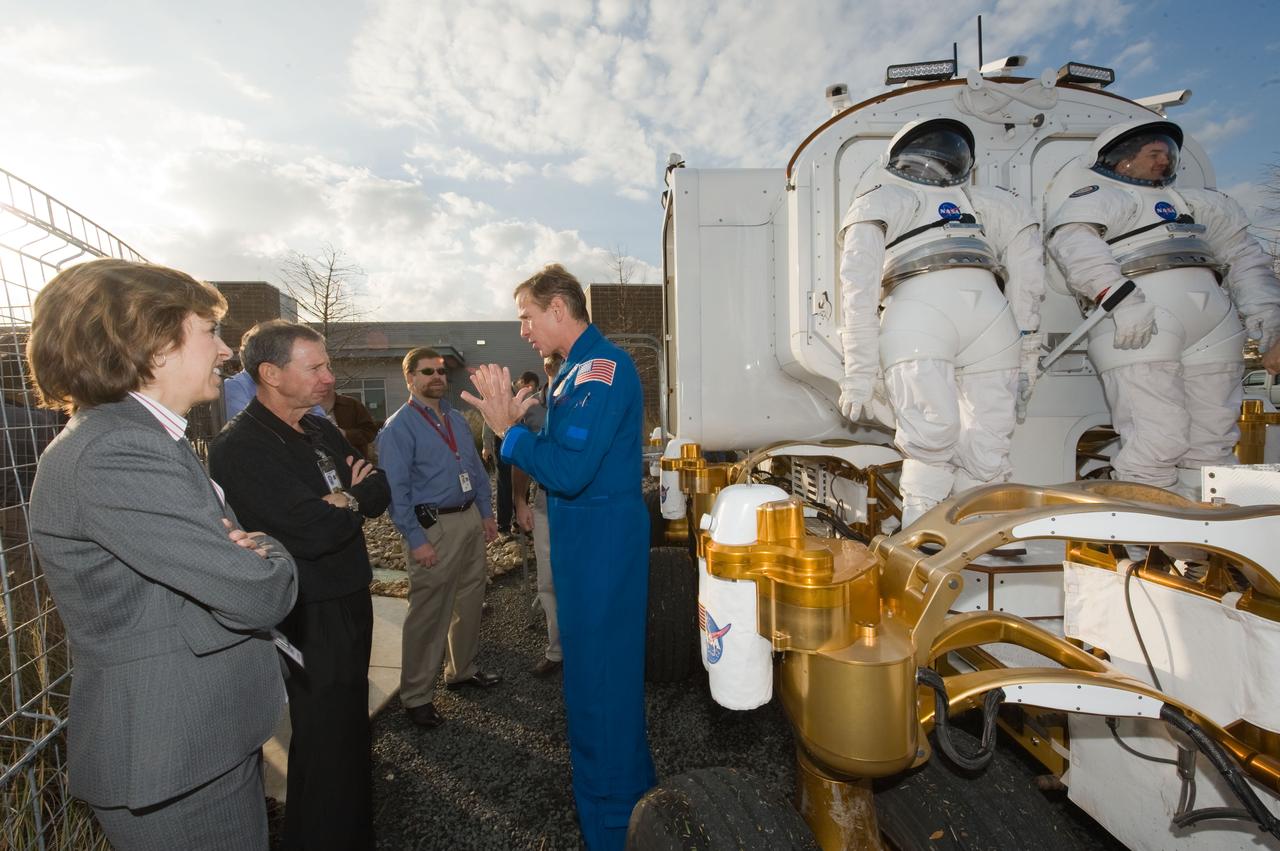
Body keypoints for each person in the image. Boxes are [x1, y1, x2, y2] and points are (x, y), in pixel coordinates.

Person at [26, 259, 298, 850]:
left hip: (195, 744)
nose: (226, 353)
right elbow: (255, 591)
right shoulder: (116, 450)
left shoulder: (140, 439)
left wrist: (242, 556)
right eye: (209, 331)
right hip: (173, 754)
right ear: (151, 341)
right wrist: (270, 550)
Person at [462, 263, 654, 851]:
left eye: (526, 315)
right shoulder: (571, 373)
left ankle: (614, 831)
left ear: (558, 309)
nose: (522, 329)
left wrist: (505, 432)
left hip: (598, 554)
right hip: (586, 552)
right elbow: (566, 442)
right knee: (599, 692)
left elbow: (570, 471)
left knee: (600, 696)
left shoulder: (601, 366)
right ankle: (639, 815)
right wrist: (528, 418)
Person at [209, 320, 390, 851]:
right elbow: (309, 532)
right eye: (315, 367)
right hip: (307, 609)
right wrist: (348, 502)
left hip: (352, 594)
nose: (329, 378)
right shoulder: (240, 447)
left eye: (327, 365)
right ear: (270, 373)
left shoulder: (318, 428)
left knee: (349, 729)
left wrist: (349, 501)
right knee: (326, 735)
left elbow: (377, 486)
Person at [1045, 120, 1280, 496]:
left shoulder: (1199, 205)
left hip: (1213, 326)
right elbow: (1076, 245)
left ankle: (1197, 544)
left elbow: (1246, 261)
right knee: (1158, 438)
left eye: (1167, 153)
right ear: (1122, 159)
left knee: (1213, 441)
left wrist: (1270, 325)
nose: (1163, 160)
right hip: (1145, 321)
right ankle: (1142, 542)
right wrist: (1120, 300)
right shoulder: (1102, 197)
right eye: (1152, 153)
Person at [836, 118, 1045, 527]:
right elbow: (857, 285)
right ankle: (923, 538)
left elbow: (1028, 278)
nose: (936, 160)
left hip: (984, 319)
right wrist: (858, 374)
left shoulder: (991, 205)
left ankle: (977, 536)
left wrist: (1029, 358)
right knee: (933, 434)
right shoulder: (884, 198)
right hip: (920, 313)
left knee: (989, 439)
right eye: (925, 151)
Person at [375, 347, 501, 730]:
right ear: (410, 378)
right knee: (429, 614)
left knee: (469, 599)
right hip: (432, 529)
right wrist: (416, 539)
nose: (437, 378)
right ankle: (416, 696)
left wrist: (486, 512)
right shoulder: (398, 428)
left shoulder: (456, 420)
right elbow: (396, 493)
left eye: (441, 372)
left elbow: (477, 472)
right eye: (427, 371)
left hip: (467, 521)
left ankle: (461, 669)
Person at [511, 360, 564, 677]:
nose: (556, 366)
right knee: (548, 580)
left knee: (587, 573)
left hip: (585, 502)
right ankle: (557, 650)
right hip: (546, 501)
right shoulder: (534, 406)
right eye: (551, 363)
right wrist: (519, 501)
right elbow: (521, 456)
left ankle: (589, 648)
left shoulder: (588, 398)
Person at [322, 386, 379, 460]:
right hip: (320, 466)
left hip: (354, 465)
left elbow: (371, 433)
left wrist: (345, 434)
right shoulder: (306, 409)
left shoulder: (352, 404)